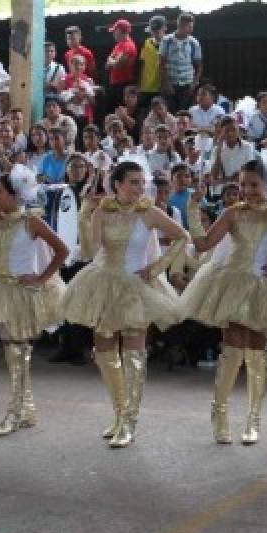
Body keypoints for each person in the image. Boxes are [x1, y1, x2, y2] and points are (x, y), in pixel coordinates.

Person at [61, 160, 188, 448]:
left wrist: (157, 268)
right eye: (133, 182)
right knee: (104, 350)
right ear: (116, 184)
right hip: (104, 282)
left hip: (136, 287)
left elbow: (182, 236)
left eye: (141, 182)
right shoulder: (104, 209)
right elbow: (90, 250)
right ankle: (119, 413)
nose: (139, 187)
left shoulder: (149, 212)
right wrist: (86, 213)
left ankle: (130, 422)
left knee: (134, 354)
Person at [0, 165, 69, 437]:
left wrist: (41, 279)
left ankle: (16, 411)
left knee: (16, 351)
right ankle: (24, 408)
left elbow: (62, 250)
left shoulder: (31, 220)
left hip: (21, 291)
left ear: (14, 194)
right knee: (13, 351)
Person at [183, 159, 267, 445]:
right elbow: (203, 244)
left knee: (257, 349)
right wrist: (193, 209)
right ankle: (220, 413)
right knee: (232, 347)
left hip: (262, 286)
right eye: (242, 185)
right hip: (231, 280)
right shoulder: (233, 213)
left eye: (253, 185)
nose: (247, 191)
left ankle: (253, 420)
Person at [159, 13, 203, 110]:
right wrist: (166, 83)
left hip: (187, 84)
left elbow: (199, 66)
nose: (191, 29)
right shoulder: (167, 41)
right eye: (189, 27)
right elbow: (161, 64)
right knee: (170, 112)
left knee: (185, 112)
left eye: (192, 27)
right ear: (180, 25)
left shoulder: (194, 42)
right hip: (170, 84)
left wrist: (194, 84)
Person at [207, 115, 258, 185]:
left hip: (241, 187)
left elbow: (247, 172)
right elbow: (213, 176)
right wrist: (218, 153)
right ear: (221, 132)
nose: (230, 133)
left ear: (238, 129)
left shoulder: (247, 147)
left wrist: (223, 180)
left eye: (233, 129)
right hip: (222, 190)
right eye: (227, 131)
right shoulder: (216, 149)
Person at [103, 19, 138, 120]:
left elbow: (119, 65)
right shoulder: (118, 45)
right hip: (115, 83)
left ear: (122, 31)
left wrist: (113, 61)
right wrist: (113, 61)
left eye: (115, 31)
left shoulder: (129, 45)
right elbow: (107, 64)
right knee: (113, 111)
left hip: (123, 84)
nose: (113, 34)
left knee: (122, 112)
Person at [137, 15, 167, 116]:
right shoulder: (146, 43)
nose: (155, 33)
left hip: (162, 87)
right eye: (153, 30)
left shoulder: (169, 43)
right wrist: (139, 84)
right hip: (146, 87)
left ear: (164, 28)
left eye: (158, 30)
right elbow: (142, 63)